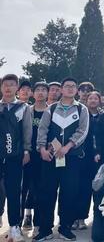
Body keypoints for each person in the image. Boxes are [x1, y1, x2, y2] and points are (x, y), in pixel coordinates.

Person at [35, 77, 89, 242]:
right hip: (50, 157)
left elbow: (82, 131)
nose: (70, 88)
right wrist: (42, 149)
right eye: (67, 86)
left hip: (71, 158)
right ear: (61, 89)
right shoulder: (50, 109)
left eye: (74, 86)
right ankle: (45, 229)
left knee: (69, 193)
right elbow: (42, 130)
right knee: (47, 193)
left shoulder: (82, 109)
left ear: (76, 90)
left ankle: (65, 227)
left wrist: (67, 147)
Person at [0, 74, 32, 242]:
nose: (8, 87)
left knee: (14, 192)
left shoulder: (23, 107)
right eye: (5, 84)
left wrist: (27, 151)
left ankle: (14, 227)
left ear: (16, 88)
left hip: (15, 156)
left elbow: (27, 129)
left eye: (12, 85)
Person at [22, 82, 48, 233]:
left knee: (41, 188)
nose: (40, 93)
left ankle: (39, 222)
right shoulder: (26, 110)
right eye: (37, 90)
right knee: (25, 187)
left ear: (47, 93)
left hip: (43, 156)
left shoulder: (51, 111)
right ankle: (25, 216)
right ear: (32, 93)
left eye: (43, 90)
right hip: (27, 155)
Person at [75, 90, 102, 231]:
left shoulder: (102, 117)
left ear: (99, 101)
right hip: (81, 156)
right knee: (80, 188)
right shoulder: (81, 114)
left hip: (96, 158)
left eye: (95, 98)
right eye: (90, 98)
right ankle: (77, 218)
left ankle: (89, 219)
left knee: (93, 189)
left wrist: (98, 152)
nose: (92, 100)